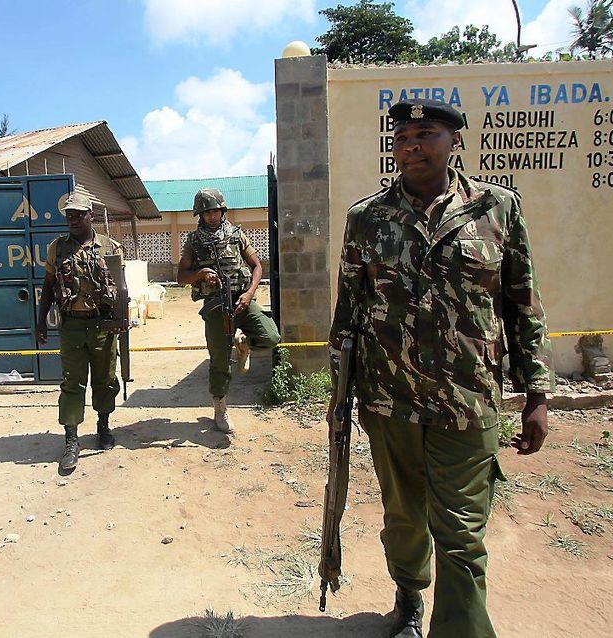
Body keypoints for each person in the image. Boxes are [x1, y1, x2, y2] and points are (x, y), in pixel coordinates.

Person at [327, 99, 555, 638]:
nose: (410, 144)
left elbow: (524, 305)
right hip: (390, 402)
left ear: (456, 142)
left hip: (469, 398)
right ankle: (409, 599)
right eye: (402, 135)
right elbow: (349, 313)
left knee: (462, 533)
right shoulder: (367, 219)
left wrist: (537, 395)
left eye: (425, 133)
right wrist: (340, 397)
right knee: (404, 518)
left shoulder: (497, 209)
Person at [36, 189, 125, 474]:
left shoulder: (111, 248)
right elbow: (49, 286)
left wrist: (123, 320)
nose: (73, 219)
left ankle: (103, 425)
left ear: (91, 215)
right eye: (69, 215)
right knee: (72, 384)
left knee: (105, 379)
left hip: (102, 325)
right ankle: (71, 440)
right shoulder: (57, 248)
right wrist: (40, 322)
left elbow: (121, 290)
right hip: (72, 325)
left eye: (78, 214)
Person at [177, 188, 281, 434]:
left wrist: (249, 294)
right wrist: (200, 274)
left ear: (222, 210)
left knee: (270, 336)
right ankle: (220, 407)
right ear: (199, 215)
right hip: (215, 307)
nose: (212, 216)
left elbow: (257, 266)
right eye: (206, 212)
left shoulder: (237, 235)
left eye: (215, 211)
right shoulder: (193, 242)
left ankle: (243, 344)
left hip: (241, 301)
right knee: (219, 361)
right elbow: (181, 277)